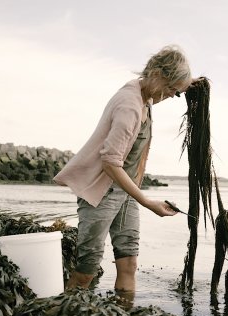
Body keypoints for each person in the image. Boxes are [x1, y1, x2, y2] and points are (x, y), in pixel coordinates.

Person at [53, 45, 194, 294]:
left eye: (177, 92)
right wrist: (148, 202)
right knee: (88, 265)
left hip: (125, 191)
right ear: (159, 74)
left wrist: (192, 82)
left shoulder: (146, 91)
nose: (172, 96)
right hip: (103, 193)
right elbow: (110, 162)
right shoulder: (130, 105)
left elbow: (171, 81)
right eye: (172, 90)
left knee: (128, 261)